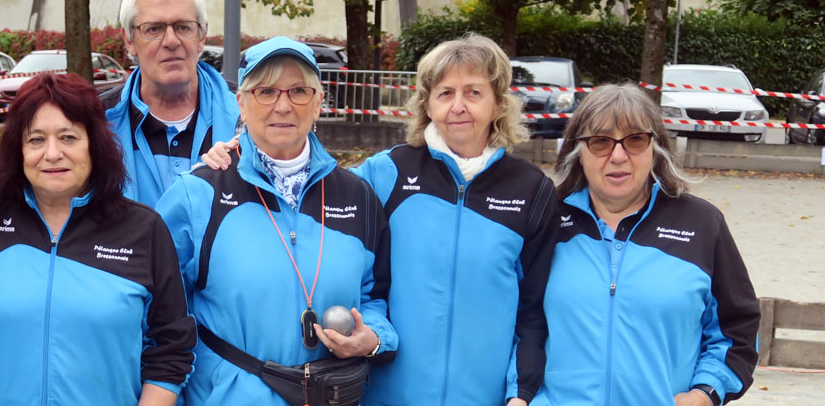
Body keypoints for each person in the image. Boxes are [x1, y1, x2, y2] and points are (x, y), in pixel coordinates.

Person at [202, 34, 557, 405]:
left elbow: (533, 314)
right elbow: (306, 185)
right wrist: (238, 154)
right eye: (445, 93)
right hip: (388, 396)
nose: (458, 106)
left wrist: (522, 395)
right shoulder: (388, 172)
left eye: (473, 93)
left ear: (498, 102)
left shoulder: (532, 190)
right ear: (427, 103)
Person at [0, 73, 195, 405]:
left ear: (94, 145)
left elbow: (171, 347)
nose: (52, 154)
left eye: (68, 137)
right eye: (36, 139)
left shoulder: (144, 229)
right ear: (19, 149)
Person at [156, 37, 396, 404]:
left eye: (299, 91)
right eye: (265, 91)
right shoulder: (197, 193)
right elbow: (161, 311)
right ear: (242, 102)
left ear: (318, 103)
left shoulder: (358, 196)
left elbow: (376, 295)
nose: (283, 106)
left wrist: (375, 337)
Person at [532, 84, 759, 406]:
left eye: (635, 140)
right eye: (600, 142)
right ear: (576, 151)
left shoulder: (702, 224)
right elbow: (515, 324)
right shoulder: (544, 222)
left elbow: (738, 329)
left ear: (656, 148)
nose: (619, 156)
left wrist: (706, 392)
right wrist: (526, 397)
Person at [104, 0, 241, 206]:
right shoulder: (97, 121)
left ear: (202, 35)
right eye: (153, 29)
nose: (170, 41)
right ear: (129, 40)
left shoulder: (247, 115)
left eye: (183, 27)